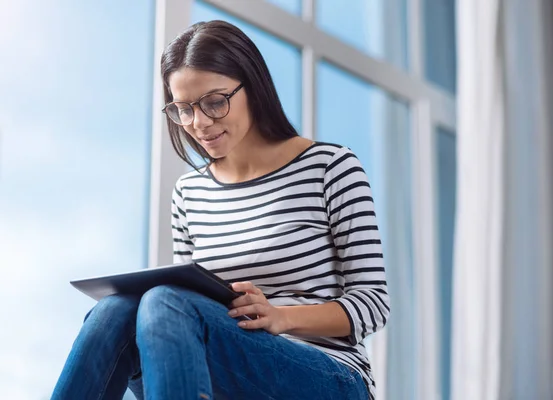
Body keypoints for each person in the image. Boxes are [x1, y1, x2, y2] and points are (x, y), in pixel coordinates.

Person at [51, 20, 390, 400]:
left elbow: (373, 303)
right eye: (183, 109)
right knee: (115, 311)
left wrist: (280, 317)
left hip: (328, 375)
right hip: (227, 371)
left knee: (165, 303)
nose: (199, 123)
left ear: (253, 85)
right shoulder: (189, 192)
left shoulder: (330, 166)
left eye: (214, 102)